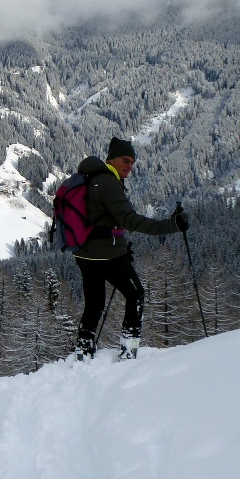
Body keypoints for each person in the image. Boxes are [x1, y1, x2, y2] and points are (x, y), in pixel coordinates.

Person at [73, 136, 189, 360]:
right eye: (125, 160)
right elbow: (130, 220)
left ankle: (83, 352)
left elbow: (100, 222)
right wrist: (171, 225)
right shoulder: (108, 183)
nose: (130, 166)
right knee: (135, 294)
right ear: (112, 159)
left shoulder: (90, 179)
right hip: (106, 255)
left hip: (83, 253)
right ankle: (128, 351)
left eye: (132, 162)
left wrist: (121, 245)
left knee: (94, 303)